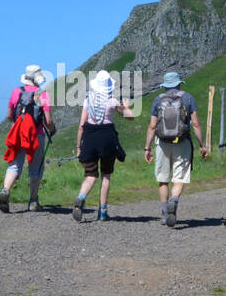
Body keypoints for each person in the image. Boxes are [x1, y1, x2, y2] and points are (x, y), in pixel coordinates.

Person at [144, 71, 209, 228]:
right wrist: (202, 145)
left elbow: (152, 125)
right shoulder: (188, 98)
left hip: (162, 143)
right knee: (179, 177)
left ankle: (165, 212)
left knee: (163, 179)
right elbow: (195, 124)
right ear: (179, 83)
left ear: (164, 86)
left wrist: (147, 147)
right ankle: (174, 200)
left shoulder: (158, 100)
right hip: (182, 142)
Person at [72, 70, 135, 221]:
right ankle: (102, 212)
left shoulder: (88, 100)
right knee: (106, 175)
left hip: (90, 137)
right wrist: (126, 106)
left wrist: (79, 146)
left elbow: (81, 125)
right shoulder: (112, 101)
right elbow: (130, 117)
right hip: (107, 138)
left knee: (90, 175)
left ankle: (80, 198)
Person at [0, 64, 54, 212]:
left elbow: (10, 115)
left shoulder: (16, 91)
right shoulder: (43, 94)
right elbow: (48, 120)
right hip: (36, 135)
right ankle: (33, 202)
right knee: (36, 167)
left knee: (14, 165)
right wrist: (52, 130)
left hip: (17, 133)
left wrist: (19, 124)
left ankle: (5, 191)